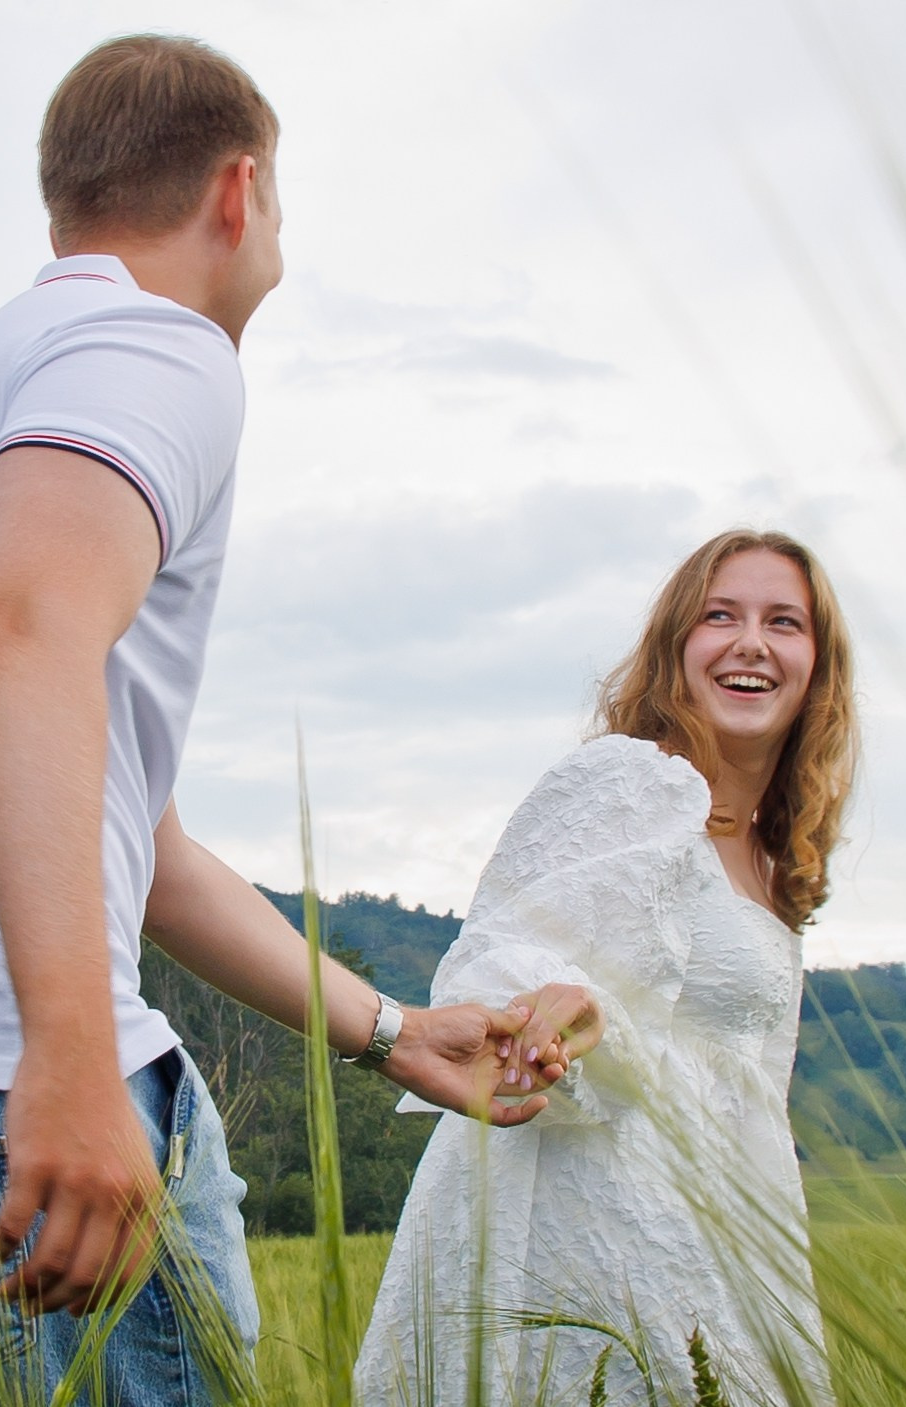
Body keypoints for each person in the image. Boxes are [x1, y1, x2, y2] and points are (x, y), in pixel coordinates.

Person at [0, 35, 575, 1407]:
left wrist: (393, 1030)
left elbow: (142, 846)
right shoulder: (155, 344)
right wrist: (72, 1055)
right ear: (238, 192)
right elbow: (15, 637)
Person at [355, 529, 857, 1407]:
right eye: (721, 616)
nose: (751, 642)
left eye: (784, 622)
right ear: (675, 647)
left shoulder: (778, 859)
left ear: (818, 665)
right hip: (586, 1235)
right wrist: (559, 1012)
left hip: (720, 1242)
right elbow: (508, 948)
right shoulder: (632, 783)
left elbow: (753, 1091)